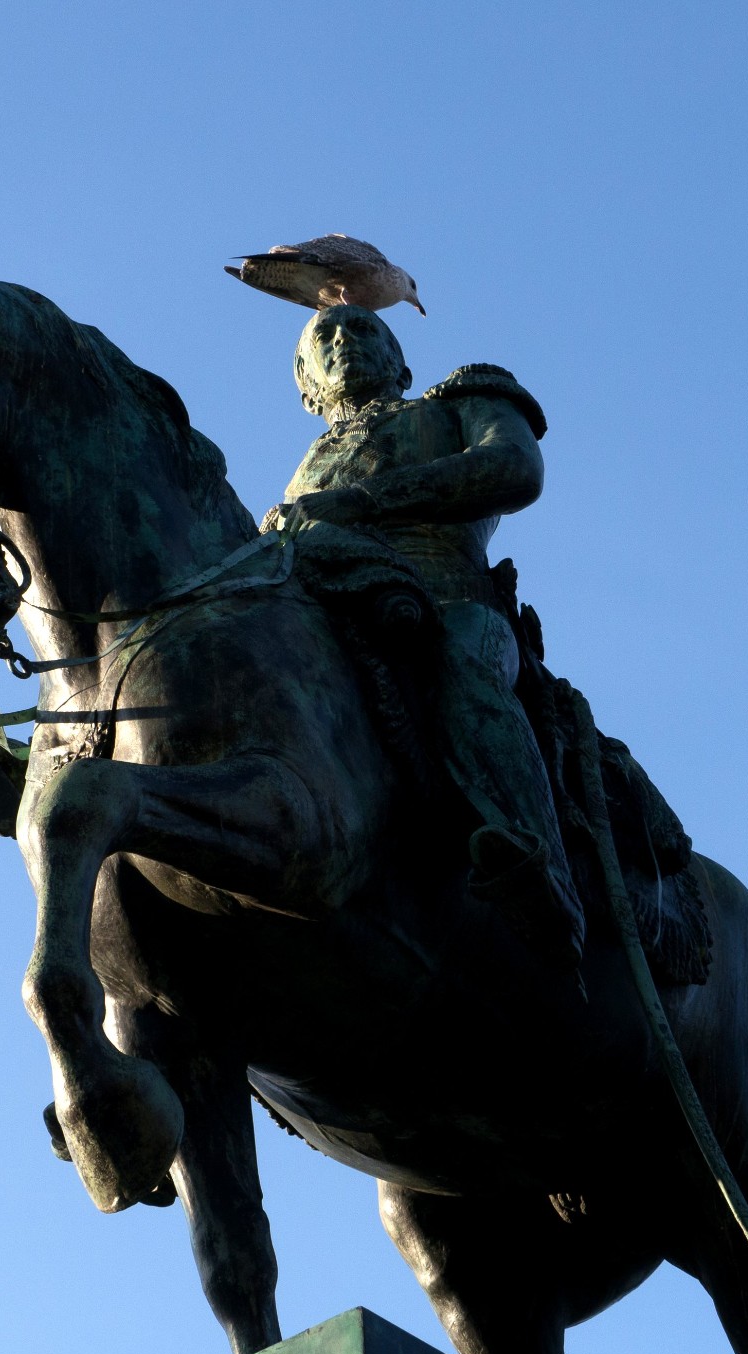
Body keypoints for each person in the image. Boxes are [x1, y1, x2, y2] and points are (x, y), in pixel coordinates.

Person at [261, 305, 584, 963]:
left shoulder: (461, 399)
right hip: (329, 611)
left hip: (447, 603)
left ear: (401, 364)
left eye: (362, 329)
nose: (343, 339)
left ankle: (541, 870)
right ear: (306, 385)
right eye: (324, 336)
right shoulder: (304, 471)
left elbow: (513, 467)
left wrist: (364, 501)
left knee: (461, 671)